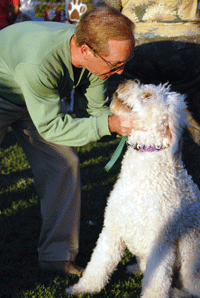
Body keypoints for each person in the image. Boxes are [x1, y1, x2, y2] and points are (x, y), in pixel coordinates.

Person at [0, 5, 135, 274]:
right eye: (115, 64)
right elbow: (51, 126)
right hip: (5, 89)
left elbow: (96, 112)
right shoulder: (40, 61)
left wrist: (121, 122)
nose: (120, 72)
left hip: (38, 96)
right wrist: (108, 125)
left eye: (124, 63)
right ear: (86, 50)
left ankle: (56, 257)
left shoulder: (97, 63)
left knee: (64, 164)